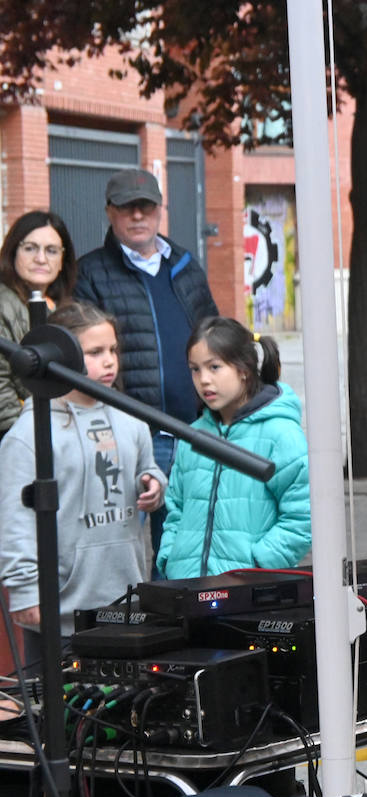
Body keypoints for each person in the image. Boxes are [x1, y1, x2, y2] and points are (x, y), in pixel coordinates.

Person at [0, 302, 165, 665]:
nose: (109, 361)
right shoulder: (29, 434)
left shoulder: (131, 418)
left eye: (112, 350)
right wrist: (26, 592)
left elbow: (146, 468)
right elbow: (14, 519)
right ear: (62, 356)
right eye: (95, 352)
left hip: (125, 601)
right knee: (60, 714)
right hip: (60, 612)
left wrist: (153, 483)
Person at [75, 168, 219, 560]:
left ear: (160, 210)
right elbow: (84, 355)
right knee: (132, 553)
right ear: (110, 213)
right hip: (134, 438)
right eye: (127, 208)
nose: (137, 216)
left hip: (194, 432)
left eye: (146, 207)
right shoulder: (91, 273)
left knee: (192, 547)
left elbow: (214, 341)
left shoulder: (186, 266)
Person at [155, 317, 310, 580]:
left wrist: (259, 564)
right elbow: (176, 509)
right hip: (188, 587)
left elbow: (303, 518)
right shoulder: (193, 435)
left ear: (243, 369)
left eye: (214, 367)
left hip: (249, 592)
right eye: (195, 369)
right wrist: (170, 556)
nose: (204, 380)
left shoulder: (281, 435)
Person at [0, 211, 79, 440]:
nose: (41, 259)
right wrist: (34, 436)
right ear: (13, 251)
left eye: (51, 250)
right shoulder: (4, 304)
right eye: (30, 248)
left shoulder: (67, 308)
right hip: (23, 439)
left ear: (63, 260)